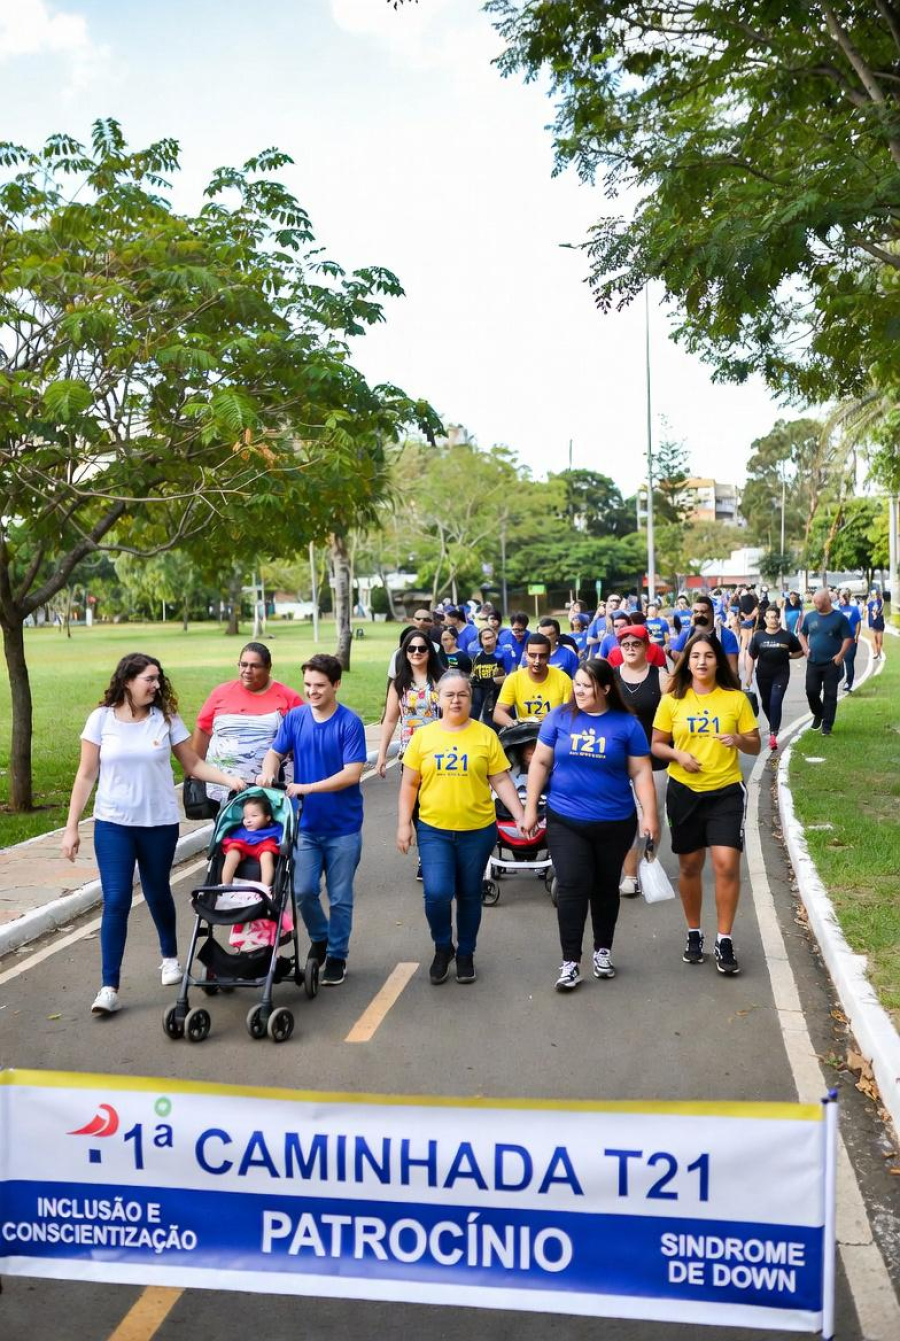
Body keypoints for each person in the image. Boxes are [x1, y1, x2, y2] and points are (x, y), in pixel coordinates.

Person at [62, 653, 247, 1015]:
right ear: (128, 680)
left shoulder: (165, 720)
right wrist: (71, 828)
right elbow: (86, 775)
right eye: (149, 678)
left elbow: (191, 763)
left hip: (159, 824)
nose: (157, 685)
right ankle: (108, 987)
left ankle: (169, 957)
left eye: (158, 679)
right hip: (113, 823)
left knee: (157, 890)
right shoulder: (100, 720)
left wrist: (228, 779)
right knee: (116, 900)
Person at [522, 659, 658, 992]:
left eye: (587, 685)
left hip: (614, 821)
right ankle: (570, 961)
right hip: (566, 818)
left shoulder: (627, 725)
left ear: (606, 688)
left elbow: (640, 772)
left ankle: (603, 951)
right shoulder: (559, 718)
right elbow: (540, 761)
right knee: (571, 884)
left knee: (604, 888)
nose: (579, 691)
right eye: (577, 684)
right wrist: (529, 808)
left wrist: (650, 815)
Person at [398, 671, 525, 985]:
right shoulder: (423, 737)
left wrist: (521, 814)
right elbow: (409, 785)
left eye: (462, 695)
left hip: (477, 831)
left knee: (469, 894)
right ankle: (444, 947)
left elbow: (500, 779)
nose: (456, 700)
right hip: (433, 829)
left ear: (471, 698)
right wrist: (404, 824)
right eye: (449, 695)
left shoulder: (485, 736)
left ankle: (466, 952)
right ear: (439, 700)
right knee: (437, 893)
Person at [651, 633, 760, 976]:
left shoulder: (735, 699)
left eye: (708, 656)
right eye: (695, 656)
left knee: (726, 864)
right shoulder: (672, 700)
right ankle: (694, 933)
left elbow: (755, 746)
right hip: (684, 792)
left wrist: (739, 739)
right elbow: (656, 745)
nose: (701, 662)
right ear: (687, 661)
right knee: (690, 865)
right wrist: (678, 754)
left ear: (718, 661)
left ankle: (724, 938)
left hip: (725, 792)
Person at [260, 654, 367, 986]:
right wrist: (268, 769)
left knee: (340, 897)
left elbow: (351, 774)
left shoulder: (349, 723)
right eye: (307, 685)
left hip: (343, 827)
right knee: (304, 891)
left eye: (320, 686)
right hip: (305, 826)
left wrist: (307, 787)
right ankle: (320, 937)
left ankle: (337, 955)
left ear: (336, 685)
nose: (312, 691)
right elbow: (276, 752)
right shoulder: (295, 719)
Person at [191, 642, 302, 805]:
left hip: (271, 793)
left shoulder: (287, 697)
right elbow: (203, 730)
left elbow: (304, 739)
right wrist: (193, 770)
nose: (247, 671)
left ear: (268, 668)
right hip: (221, 790)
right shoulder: (221, 693)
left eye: (255, 666)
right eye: (243, 665)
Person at [613, 626, 667, 896]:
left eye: (636, 643)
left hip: (655, 758)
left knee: (652, 815)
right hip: (619, 759)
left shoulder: (661, 678)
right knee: (627, 817)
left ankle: (650, 864)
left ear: (647, 646)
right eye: (626, 644)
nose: (631, 648)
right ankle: (630, 875)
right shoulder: (610, 679)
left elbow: (674, 717)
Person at [376, 630, 443, 776]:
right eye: (411, 649)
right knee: (413, 798)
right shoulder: (398, 684)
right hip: (410, 753)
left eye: (422, 648)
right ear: (405, 653)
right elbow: (390, 720)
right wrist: (382, 755)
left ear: (429, 652)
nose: (416, 652)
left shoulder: (442, 680)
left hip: (440, 751)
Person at [745, 605, 804, 750]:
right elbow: (751, 656)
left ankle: (773, 734)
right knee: (766, 703)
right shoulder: (758, 636)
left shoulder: (787, 636)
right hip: (763, 675)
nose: (773, 620)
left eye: (775, 617)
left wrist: (789, 656)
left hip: (781, 674)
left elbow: (800, 651)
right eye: (770, 617)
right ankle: (774, 724)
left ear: (779, 618)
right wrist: (748, 675)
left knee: (775, 701)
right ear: (765, 619)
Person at [797, 589, 853, 737]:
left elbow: (849, 638)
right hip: (813, 662)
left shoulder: (839, 618)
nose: (815, 604)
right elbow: (802, 633)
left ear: (827, 601)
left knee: (830, 695)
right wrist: (805, 648)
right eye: (814, 601)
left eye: (818, 602)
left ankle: (827, 727)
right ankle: (819, 713)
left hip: (832, 663)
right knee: (811, 691)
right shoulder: (810, 617)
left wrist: (840, 655)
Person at [493, 633, 572, 727]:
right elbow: (498, 712)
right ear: (526, 655)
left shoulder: (563, 679)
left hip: (555, 731)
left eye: (542, 656)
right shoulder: (514, 679)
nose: (537, 661)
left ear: (549, 657)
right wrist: (514, 724)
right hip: (525, 733)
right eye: (533, 655)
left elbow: (571, 713)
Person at [220, 793, 282, 889]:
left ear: (267, 817)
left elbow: (283, 837)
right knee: (232, 852)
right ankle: (225, 886)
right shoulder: (240, 830)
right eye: (245, 817)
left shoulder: (275, 828)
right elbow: (232, 839)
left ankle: (265, 888)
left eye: (254, 816)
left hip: (264, 843)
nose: (248, 820)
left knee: (267, 855)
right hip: (243, 843)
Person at [688, 595, 740, 677]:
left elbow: (733, 670)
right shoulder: (688, 634)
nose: (699, 615)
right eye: (696, 612)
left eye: (703, 612)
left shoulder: (726, 635)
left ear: (712, 614)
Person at [470, 624, 507, 724]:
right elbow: (474, 675)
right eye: (484, 638)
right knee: (474, 709)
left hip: (497, 690)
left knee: (491, 716)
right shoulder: (477, 656)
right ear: (480, 640)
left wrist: (496, 680)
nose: (487, 640)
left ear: (495, 638)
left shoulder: (503, 654)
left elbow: (511, 676)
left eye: (490, 637)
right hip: (480, 688)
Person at [836, 590, 862, 692]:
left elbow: (858, 622)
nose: (841, 599)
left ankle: (849, 682)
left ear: (847, 597)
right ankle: (837, 679)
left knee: (848, 660)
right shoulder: (836, 609)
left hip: (851, 639)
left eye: (843, 597)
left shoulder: (854, 609)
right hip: (839, 640)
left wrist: (856, 635)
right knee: (838, 661)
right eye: (840, 597)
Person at [867, 588, 885, 659]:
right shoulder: (880, 601)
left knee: (875, 639)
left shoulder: (870, 602)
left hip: (874, 622)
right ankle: (878, 653)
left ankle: (876, 653)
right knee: (878, 640)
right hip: (877, 622)